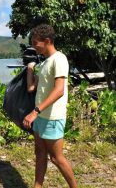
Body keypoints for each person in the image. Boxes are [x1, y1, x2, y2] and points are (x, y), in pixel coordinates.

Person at [23, 24, 78, 188]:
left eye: (35, 42)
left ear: (47, 41)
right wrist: (30, 69)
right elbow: (31, 88)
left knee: (56, 158)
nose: (33, 46)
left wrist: (35, 111)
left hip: (52, 117)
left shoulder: (59, 59)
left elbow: (59, 90)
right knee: (39, 154)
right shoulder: (45, 62)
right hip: (41, 117)